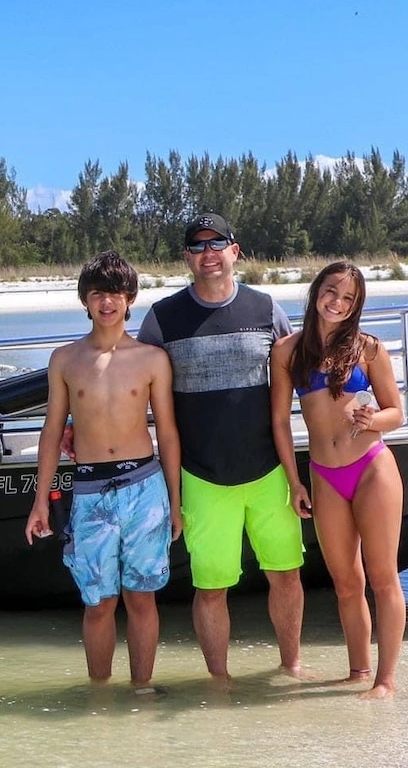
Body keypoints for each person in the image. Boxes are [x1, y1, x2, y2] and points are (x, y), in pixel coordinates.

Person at [136, 213, 311, 686]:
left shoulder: (266, 308)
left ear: (236, 251)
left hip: (269, 471)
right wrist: (75, 426)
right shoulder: (163, 318)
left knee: (287, 575)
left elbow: (303, 376)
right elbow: (133, 384)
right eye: (198, 247)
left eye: (218, 244)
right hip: (201, 475)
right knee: (210, 588)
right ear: (186, 258)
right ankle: (220, 682)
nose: (208, 254)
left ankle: (291, 667)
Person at [25, 251, 181, 691]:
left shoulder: (151, 359)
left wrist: (175, 502)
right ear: (86, 301)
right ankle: (99, 692)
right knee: (98, 602)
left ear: (130, 299)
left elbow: (167, 433)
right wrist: (40, 503)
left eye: (115, 294)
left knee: (141, 597)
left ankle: (142, 689)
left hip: (144, 486)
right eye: (98, 295)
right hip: (91, 490)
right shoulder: (65, 360)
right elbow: (52, 432)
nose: (107, 303)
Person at [271, 260, 406, 700]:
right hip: (324, 475)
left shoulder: (369, 349)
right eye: (331, 292)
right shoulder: (288, 352)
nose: (338, 303)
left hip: (371, 467)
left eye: (349, 298)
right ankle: (357, 671)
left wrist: (372, 420)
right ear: (316, 292)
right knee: (346, 582)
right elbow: (278, 423)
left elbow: (396, 414)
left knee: (383, 577)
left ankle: (385, 681)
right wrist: (295, 483)